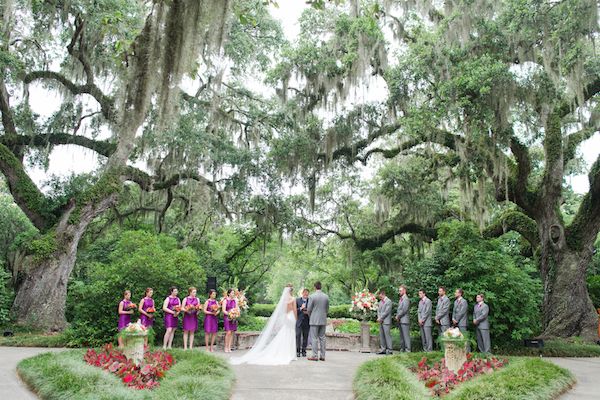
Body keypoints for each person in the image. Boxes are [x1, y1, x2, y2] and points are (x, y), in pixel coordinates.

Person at [231, 284, 297, 365]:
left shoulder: (284, 300)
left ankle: (284, 351)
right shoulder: (293, 299)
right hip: (291, 316)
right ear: (292, 291)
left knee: (285, 333)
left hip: (286, 317)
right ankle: (290, 353)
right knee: (290, 333)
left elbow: (283, 310)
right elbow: (294, 310)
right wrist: (296, 318)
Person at [307, 281, 329, 361]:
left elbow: (309, 309)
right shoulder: (326, 296)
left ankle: (315, 356)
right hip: (323, 319)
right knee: (322, 338)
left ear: (314, 287)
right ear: (321, 287)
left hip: (314, 319)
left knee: (314, 338)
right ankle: (323, 356)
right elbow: (327, 309)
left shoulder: (312, 296)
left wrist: (311, 316)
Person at [377, 289, 393, 355]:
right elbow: (378, 310)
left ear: (383, 294)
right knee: (382, 335)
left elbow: (387, 311)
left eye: (380, 296)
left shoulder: (388, 301)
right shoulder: (380, 302)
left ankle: (389, 350)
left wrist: (381, 318)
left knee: (387, 335)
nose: (379, 297)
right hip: (381, 321)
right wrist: (378, 317)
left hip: (386, 321)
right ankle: (383, 349)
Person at [395, 285, 411, 352]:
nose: (399, 292)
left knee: (406, 336)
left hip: (404, 320)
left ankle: (408, 349)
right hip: (401, 320)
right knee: (402, 336)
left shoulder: (406, 299)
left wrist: (398, 316)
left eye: (400, 290)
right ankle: (403, 349)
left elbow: (404, 309)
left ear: (404, 291)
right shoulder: (401, 299)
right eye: (399, 291)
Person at [223, 288, 239, 353]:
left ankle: (229, 347)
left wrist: (236, 314)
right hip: (227, 318)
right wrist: (229, 314)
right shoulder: (225, 300)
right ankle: (225, 347)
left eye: (233, 293)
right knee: (228, 332)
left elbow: (237, 309)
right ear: (229, 293)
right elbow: (223, 310)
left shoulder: (235, 300)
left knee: (232, 332)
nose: (233, 294)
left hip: (233, 318)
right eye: (232, 293)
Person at [296, 288, 310, 357]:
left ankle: (304, 351)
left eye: (307, 294)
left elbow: (312, 309)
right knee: (298, 336)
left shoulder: (310, 301)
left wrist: (308, 312)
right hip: (299, 321)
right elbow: (295, 310)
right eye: (305, 293)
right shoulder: (297, 300)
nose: (306, 295)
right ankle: (297, 351)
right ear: (302, 293)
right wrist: (301, 308)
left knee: (305, 336)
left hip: (307, 321)